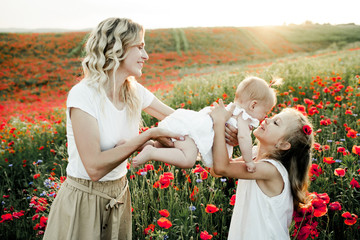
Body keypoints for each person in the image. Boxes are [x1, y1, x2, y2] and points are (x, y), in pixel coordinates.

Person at [43, 17, 188, 240]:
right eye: (140, 47)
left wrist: (224, 124)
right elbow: (94, 168)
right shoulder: (84, 95)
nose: (146, 55)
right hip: (84, 201)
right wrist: (147, 136)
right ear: (116, 49)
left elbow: (180, 120)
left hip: (119, 196)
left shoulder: (134, 91)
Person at [210, 99, 314, 239]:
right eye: (273, 117)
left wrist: (219, 123)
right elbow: (216, 170)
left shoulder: (271, 170)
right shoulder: (253, 154)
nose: (268, 120)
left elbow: (222, 167)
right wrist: (230, 143)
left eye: (276, 123)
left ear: (283, 144)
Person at [132, 76, 278, 172]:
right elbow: (244, 139)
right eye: (264, 112)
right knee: (188, 159)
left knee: (162, 145)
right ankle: (152, 152)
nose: (264, 117)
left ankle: (139, 145)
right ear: (253, 105)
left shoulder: (230, 109)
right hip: (192, 133)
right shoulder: (243, 117)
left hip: (188, 123)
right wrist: (249, 162)